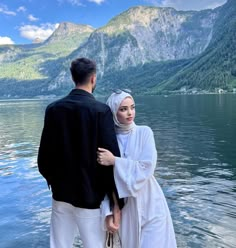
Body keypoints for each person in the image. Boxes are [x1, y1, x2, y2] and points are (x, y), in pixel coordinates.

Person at [37, 57, 123, 248]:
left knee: (59, 244)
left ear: (73, 78)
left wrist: (54, 181)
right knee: (94, 244)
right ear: (93, 79)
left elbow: (43, 159)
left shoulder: (53, 110)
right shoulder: (101, 111)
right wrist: (116, 202)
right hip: (90, 196)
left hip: (61, 195)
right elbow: (111, 161)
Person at [97, 90, 177, 248]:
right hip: (126, 207)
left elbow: (146, 166)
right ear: (113, 112)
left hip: (150, 201)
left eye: (132, 107)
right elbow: (104, 180)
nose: (130, 113)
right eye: (123, 109)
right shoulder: (109, 140)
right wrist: (109, 210)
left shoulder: (144, 132)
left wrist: (115, 161)